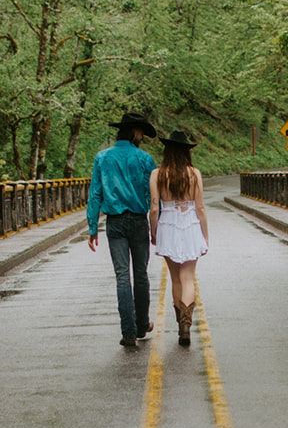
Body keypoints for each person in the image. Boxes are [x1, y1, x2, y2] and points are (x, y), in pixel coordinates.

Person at [87, 111, 158, 348]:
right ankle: (141, 324)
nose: (142, 137)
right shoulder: (145, 159)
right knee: (141, 274)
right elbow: (153, 196)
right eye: (141, 132)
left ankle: (128, 332)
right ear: (135, 132)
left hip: (115, 222)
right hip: (138, 220)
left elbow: (96, 193)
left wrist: (92, 227)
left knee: (122, 277)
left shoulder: (102, 158)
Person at [149, 129, 209, 347]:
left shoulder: (157, 174)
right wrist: (205, 235)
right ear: (186, 152)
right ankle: (187, 325)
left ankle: (180, 324)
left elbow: (154, 208)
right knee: (188, 278)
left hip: (168, 225)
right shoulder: (194, 174)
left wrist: (154, 231)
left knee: (175, 278)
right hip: (190, 223)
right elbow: (200, 207)